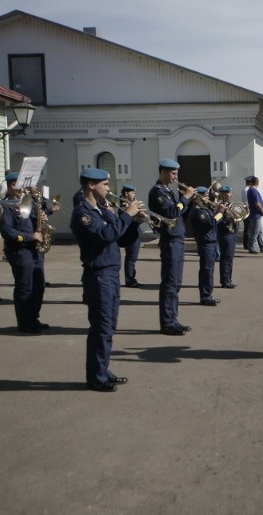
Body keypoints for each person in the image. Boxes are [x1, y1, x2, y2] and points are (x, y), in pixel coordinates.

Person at [70, 168, 146, 392]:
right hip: (99, 275)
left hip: (111, 273)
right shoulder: (82, 213)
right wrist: (126, 215)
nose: (108, 188)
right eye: (104, 183)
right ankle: (95, 376)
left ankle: (102, 370)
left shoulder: (102, 210)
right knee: (101, 328)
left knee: (109, 327)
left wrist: (134, 222)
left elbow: (120, 238)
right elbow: (105, 235)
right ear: (91, 185)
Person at [0, 172, 48, 333]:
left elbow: (42, 209)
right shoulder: (6, 206)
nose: (27, 188)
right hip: (20, 250)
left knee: (38, 286)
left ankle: (34, 318)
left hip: (35, 250)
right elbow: (7, 232)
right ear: (13, 185)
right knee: (25, 287)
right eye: (25, 185)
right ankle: (25, 323)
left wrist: (42, 216)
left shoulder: (27, 201)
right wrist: (29, 236)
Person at [148, 159, 194, 335]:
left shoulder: (169, 191)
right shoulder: (157, 192)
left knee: (176, 283)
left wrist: (190, 202)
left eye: (176, 173)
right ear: (163, 172)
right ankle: (167, 323)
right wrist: (186, 198)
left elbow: (180, 213)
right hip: (170, 241)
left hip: (178, 240)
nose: (175, 177)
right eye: (173, 173)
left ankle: (173, 319)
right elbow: (172, 213)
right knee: (170, 283)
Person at [190, 186, 222, 306]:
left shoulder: (204, 209)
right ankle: (205, 296)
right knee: (206, 271)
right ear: (198, 197)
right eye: (205, 195)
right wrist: (221, 212)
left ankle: (208, 294)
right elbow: (211, 223)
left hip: (211, 242)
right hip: (206, 243)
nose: (207, 198)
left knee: (210, 270)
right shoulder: (198, 211)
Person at [116, 184, 143, 288]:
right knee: (131, 259)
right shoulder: (123, 206)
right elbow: (128, 220)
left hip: (135, 233)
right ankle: (130, 280)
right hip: (130, 235)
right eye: (132, 193)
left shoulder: (132, 204)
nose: (134, 195)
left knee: (133, 258)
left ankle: (131, 278)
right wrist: (138, 217)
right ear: (126, 193)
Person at [216, 185, 239, 289]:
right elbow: (218, 220)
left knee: (230, 257)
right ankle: (225, 281)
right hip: (225, 233)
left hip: (233, 232)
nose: (227, 195)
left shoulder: (231, 205)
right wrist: (228, 220)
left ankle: (228, 279)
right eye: (224, 193)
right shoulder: (219, 206)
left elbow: (238, 216)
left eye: (228, 193)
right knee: (226, 257)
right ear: (221, 194)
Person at [245, 176, 263, 253]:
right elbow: (257, 203)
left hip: (255, 214)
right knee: (255, 231)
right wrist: (262, 211)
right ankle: (252, 247)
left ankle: (262, 247)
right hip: (256, 214)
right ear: (257, 183)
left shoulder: (250, 190)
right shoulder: (253, 191)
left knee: (259, 232)